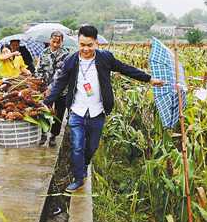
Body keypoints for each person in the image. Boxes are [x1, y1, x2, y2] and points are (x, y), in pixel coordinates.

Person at [43, 25, 164, 192]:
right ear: (78, 43)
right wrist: (48, 101)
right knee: (77, 146)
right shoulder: (71, 61)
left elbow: (125, 69)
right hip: (77, 111)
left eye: (89, 45)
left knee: (91, 146)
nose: (85, 49)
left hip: (97, 111)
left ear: (96, 43)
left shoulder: (105, 58)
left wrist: (149, 79)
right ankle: (78, 178)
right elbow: (60, 84)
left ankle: (84, 164)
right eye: (82, 44)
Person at [38, 30, 71, 147]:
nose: (56, 44)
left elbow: (60, 73)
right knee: (44, 111)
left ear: (61, 42)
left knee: (58, 113)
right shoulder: (43, 53)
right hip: (45, 89)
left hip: (61, 90)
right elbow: (40, 70)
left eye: (58, 42)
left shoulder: (66, 55)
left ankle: (53, 135)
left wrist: (51, 88)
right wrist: (40, 84)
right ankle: (43, 134)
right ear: (50, 40)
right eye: (54, 41)